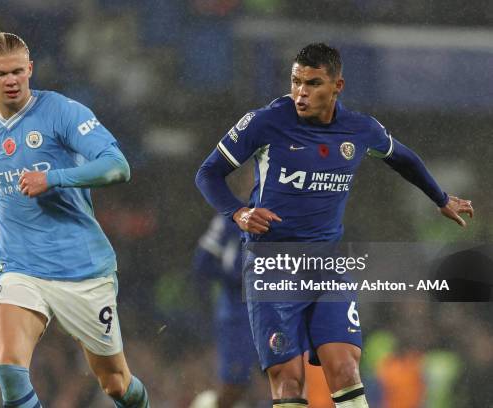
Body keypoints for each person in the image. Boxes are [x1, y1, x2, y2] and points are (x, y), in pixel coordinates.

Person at [195, 43, 473, 408]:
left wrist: (440, 198)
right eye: (296, 82)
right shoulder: (265, 122)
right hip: (271, 266)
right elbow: (209, 173)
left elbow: (403, 158)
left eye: (312, 83)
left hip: (326, 265)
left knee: (344, 367)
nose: (300, 93)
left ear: (337, 86)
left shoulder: (359, 130)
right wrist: (238, 212)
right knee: (289, 379)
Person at [0, 32, 149, 408]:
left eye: (18, 71)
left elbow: (118, 167)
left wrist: (52, 178)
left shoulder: (62, 112)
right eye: (1, 74)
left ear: (30, 69)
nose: (11, 80)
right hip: (20, 268)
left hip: (82, 268)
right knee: (9, 371)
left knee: (115, 383)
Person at [191, 214, 260, 408]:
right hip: (238, 313)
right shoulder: (230, 219)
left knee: (284, 376)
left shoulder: (285, 215)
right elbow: (202, 263)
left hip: (273, 308)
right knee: (235, 384)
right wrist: (237, 277)